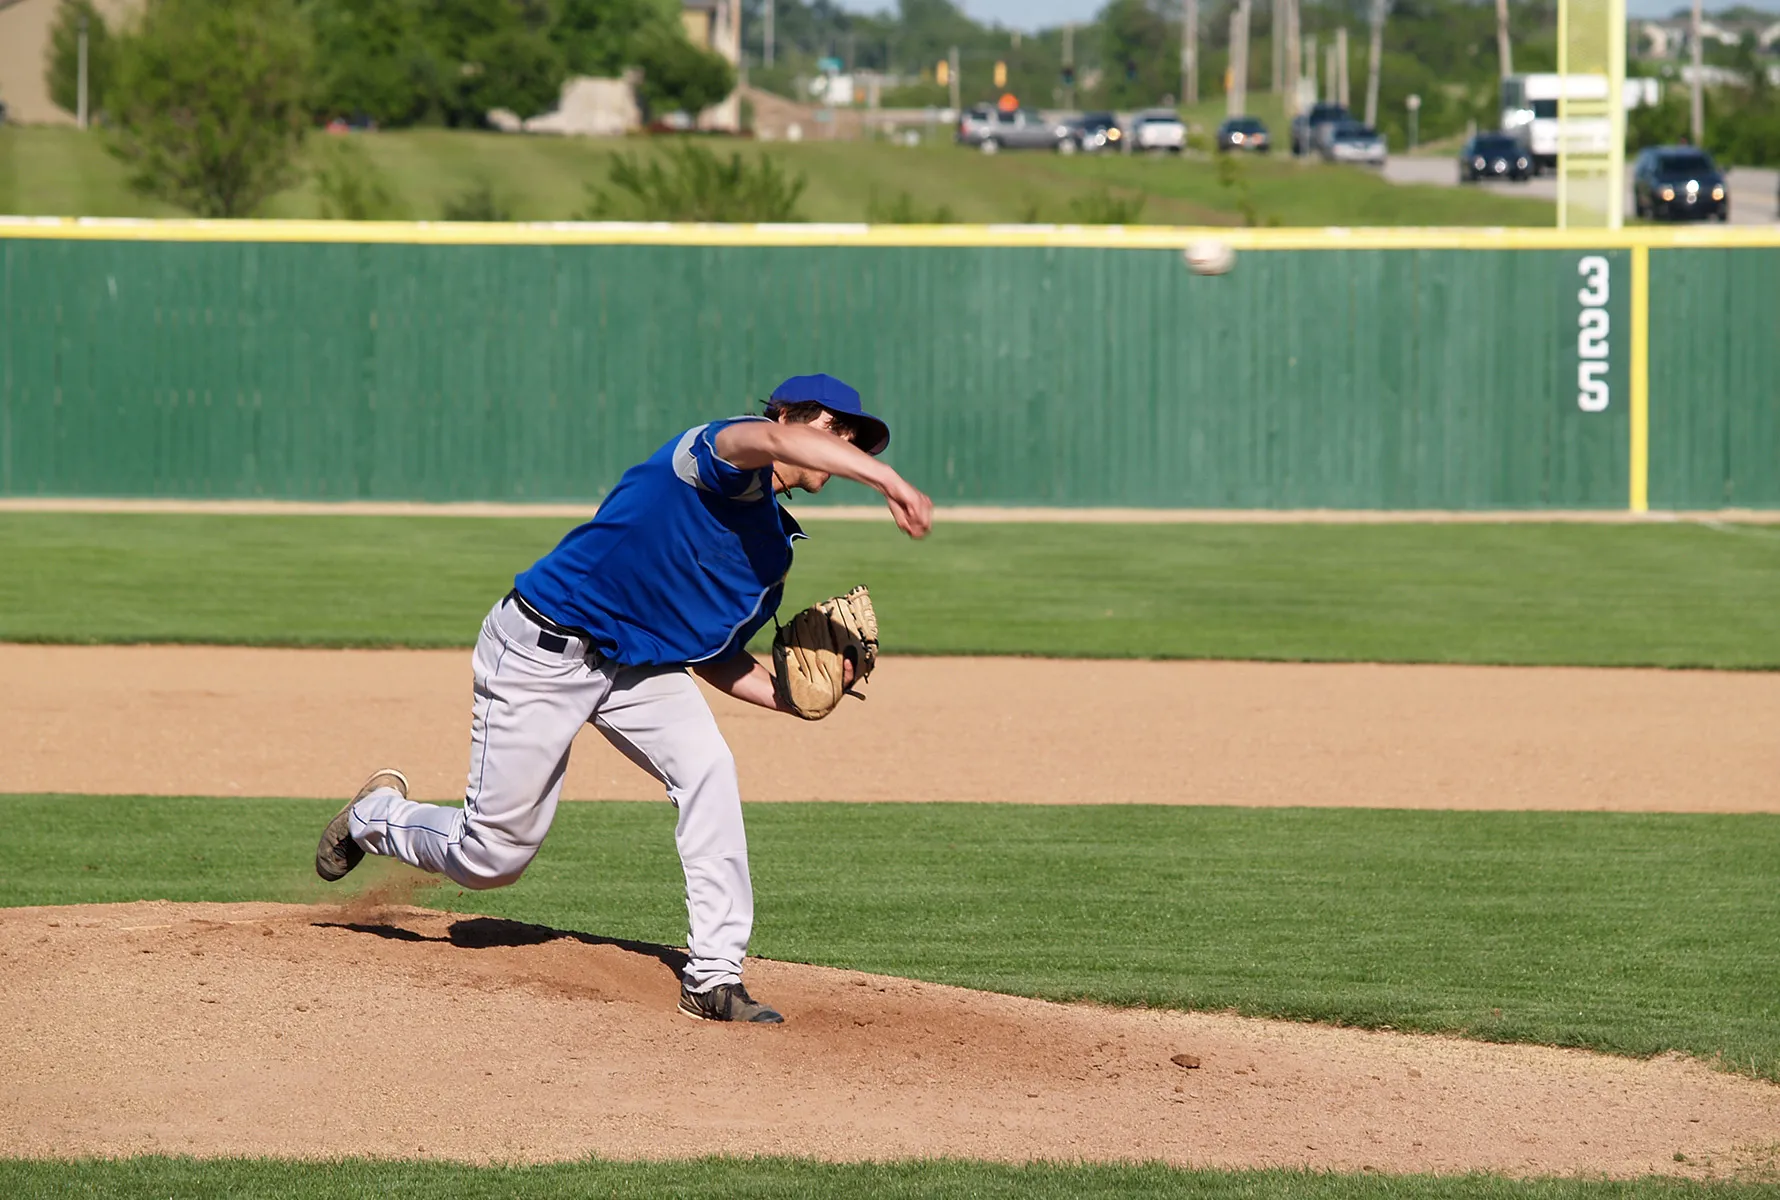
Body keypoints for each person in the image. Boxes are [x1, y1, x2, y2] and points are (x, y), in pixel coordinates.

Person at [314, 374, 933, 1023]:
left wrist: (793, 698)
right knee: (492, 858)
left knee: (708, 768)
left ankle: (714, 977)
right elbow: (774, 442)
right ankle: (375, 816)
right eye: (838, 430)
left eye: (860, 441)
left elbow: (712, 656)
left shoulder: (770, 552)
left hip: (634, 668)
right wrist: (890, 482)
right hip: (540, 650)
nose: (851, 447)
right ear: (787, 415)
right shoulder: (716, 456)